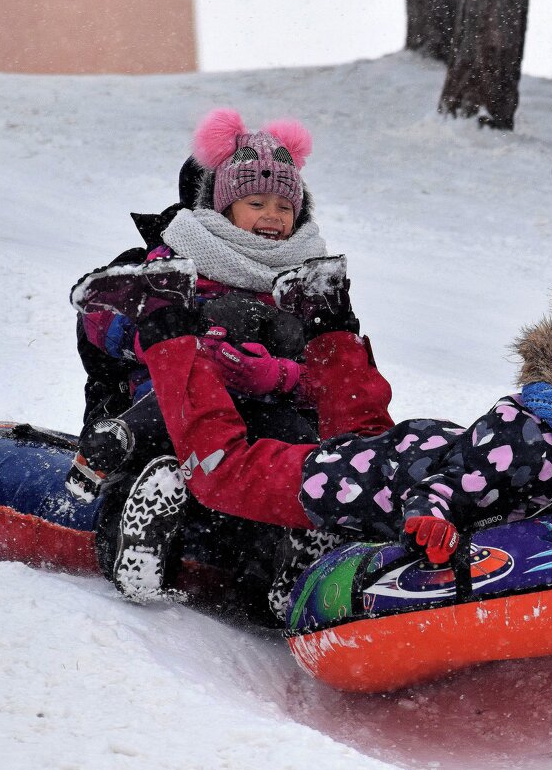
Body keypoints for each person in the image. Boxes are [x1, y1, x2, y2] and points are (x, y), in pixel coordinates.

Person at [130, 269, 552, 619]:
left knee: (363, 434)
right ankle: (165, 326)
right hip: (386, 482)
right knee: (226, 473)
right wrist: (432, 521)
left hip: (409, 458)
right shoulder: (528, 436)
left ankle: (325, 312)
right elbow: (440, 490)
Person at [67, 108, 384, 606]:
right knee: (164, 447)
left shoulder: (305, 281)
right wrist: (179, 340)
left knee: (298, 455)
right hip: (174, 402)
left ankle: (294, 562)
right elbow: (105, 319)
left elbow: (331, 375)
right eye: (256, 202)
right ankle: (140, 536)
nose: (273, 216)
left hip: (268, 413)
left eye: (285, 206)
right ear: (222, 207)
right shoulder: (176, 259)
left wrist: (274, 375)